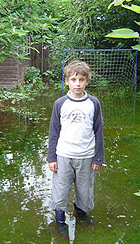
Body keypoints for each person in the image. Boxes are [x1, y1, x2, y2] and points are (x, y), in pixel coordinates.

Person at [47, 61, 105, 237]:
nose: (77, 83)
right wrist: (51, 158)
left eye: (81, 79)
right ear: (66, 81)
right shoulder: (60, 104)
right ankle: (60, 220)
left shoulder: (93, 103)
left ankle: (81, 213)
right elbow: (54, 131)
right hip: (63, 155)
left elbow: (98, 130)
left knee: (84, 189)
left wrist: (98, 157)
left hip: (86, 156)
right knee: (61, 189)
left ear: (87, 81)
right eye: (73, 79)